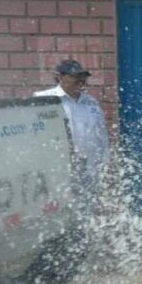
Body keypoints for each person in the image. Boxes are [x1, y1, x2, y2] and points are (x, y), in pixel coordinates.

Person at [34, 59, 110, 193]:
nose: (80, 81)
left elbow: (102, 135)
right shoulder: (44, 100)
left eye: (82, 77)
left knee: (86, 208)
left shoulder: (90, 102)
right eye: (75, 76)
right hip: (56, 170)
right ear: (61, 77)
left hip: (89, 170)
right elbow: (35, 136)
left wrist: (105, 163)